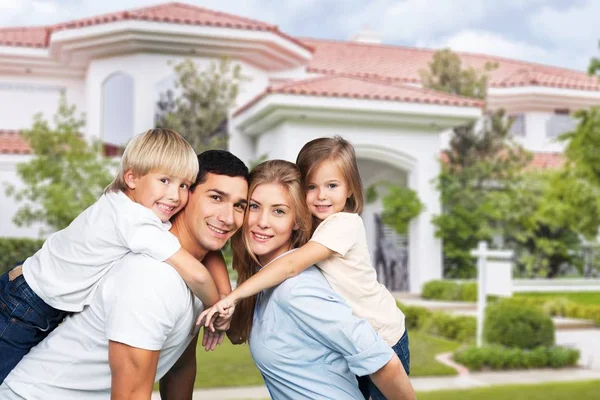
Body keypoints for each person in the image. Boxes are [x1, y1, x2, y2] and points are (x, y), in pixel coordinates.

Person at [0, 150, 249, 399]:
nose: (228, 218)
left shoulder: (193, 268)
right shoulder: (153, 277)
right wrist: (219, 304)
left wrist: (223, 300)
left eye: (239, 206)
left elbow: (179, 366)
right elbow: (130, 395)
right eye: (216, 198)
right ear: (185, 196)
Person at [201, 136, 409, 400]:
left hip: (388, 333)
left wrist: (232, 296)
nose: (262, 221)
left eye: (279, 211)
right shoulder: (266, 280)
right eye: (254, 206)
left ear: (297, 221)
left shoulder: (298, 285)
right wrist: (223, 305)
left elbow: (385, 364)